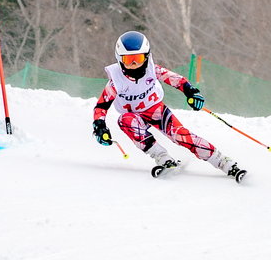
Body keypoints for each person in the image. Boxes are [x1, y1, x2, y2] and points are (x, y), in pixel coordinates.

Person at [91, 30, 246, 182]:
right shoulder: (116, 82)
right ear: (119, 60)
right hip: (135, 117)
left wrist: (191, 92)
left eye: (138, 59)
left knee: (180, 135)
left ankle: (223, 162)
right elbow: (101, 107)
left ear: (146, 56)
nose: (134, 65)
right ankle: (163, 158)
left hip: (156, 110)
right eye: (128, 60)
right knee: (125, 120)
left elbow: (177, 80)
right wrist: (99, 126)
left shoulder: (152, 70)